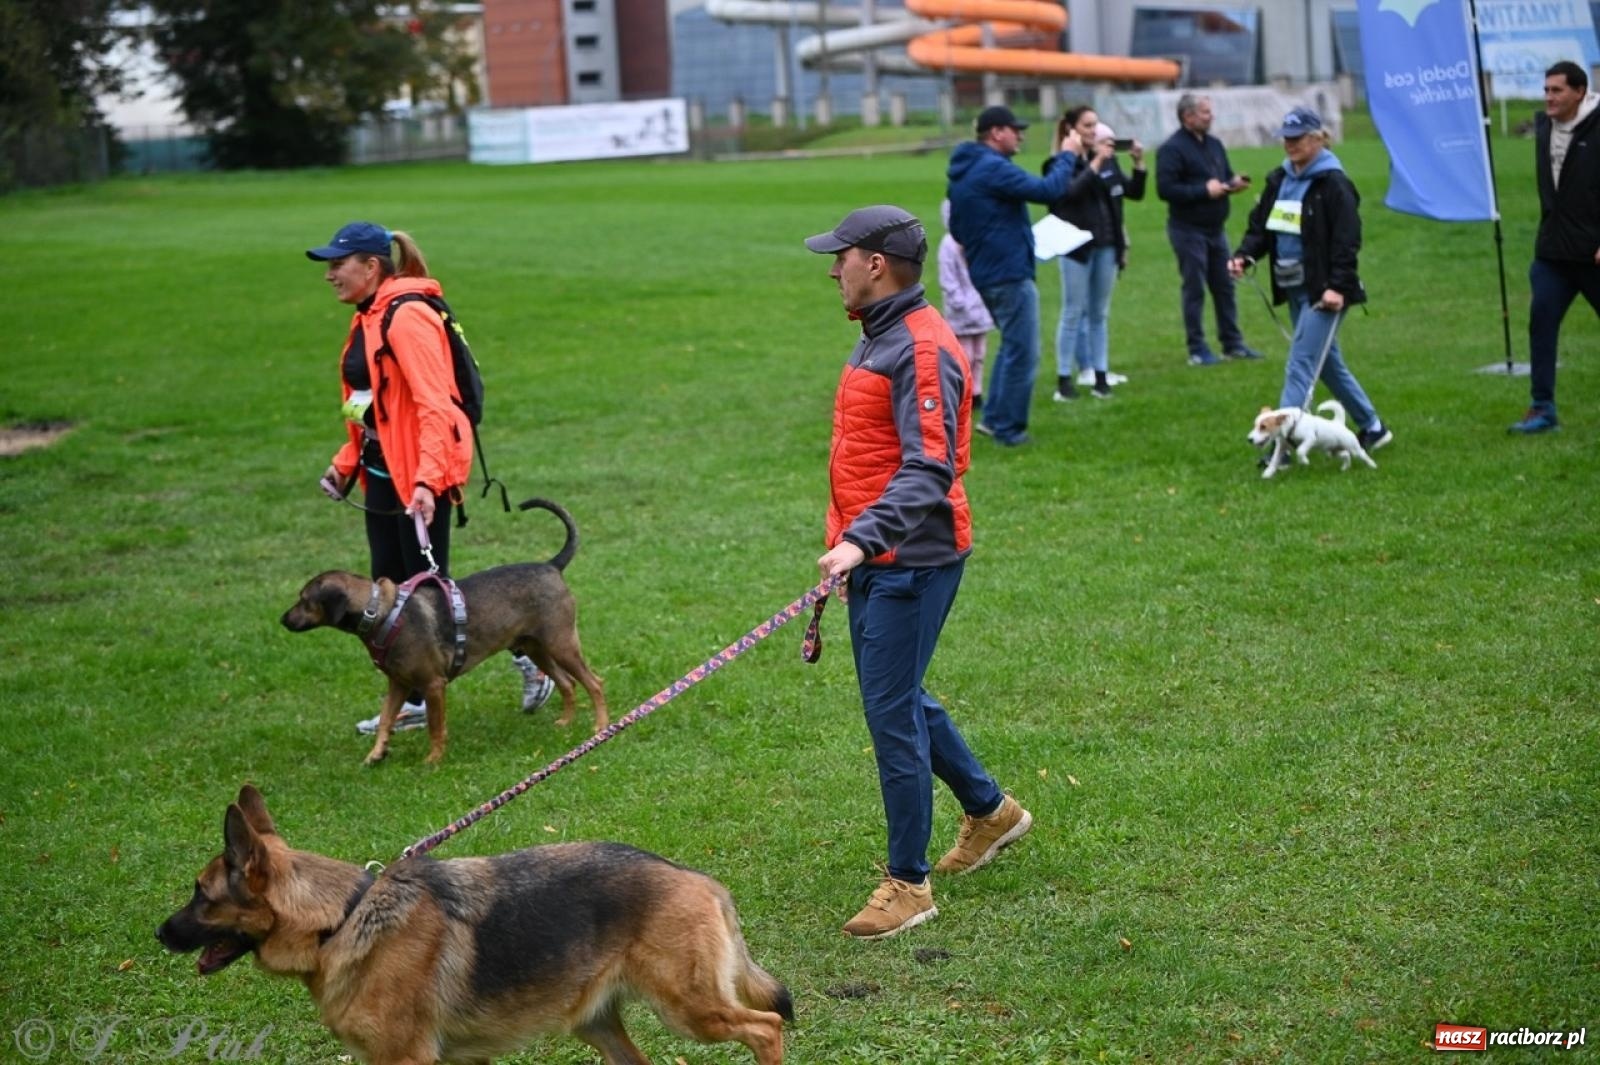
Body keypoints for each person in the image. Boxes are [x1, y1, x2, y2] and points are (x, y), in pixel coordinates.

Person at [804, 205, 1033, 940]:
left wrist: (862, 539)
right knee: (897, 693)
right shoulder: (875, 338)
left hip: (914, 556)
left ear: (876, 263)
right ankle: (992, 810)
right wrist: (845, 537)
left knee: (891, 709)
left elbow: (931, 465)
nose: (831, 267)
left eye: (841, 256)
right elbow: (863, 455)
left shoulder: (920, 348)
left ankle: (908, 884)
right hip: (874, 552)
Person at [306, 221, 553, 734]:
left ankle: (531, 658)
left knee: (432, 592)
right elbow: (372, 404)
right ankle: (417, 696)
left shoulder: (407, 316)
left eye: (338, 264)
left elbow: (434, 405)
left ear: (371, 266)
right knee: (388, 587)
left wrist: (426, 481)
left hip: (418, 479)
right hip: (382, 477)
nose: (330, 274)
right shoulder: (367, 315)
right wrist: (346, 462)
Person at [1228, 108, 1392, 458]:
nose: (1290, 144)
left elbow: (1347, 241)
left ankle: (1281, 451)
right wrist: (1244, 256)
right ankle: (1374, 428)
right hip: (1292, 288)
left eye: (1298, 138)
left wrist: (1337, 287)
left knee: (1300, 364)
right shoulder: (1278, 179)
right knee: (1327, 364)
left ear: (1318, 139)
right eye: (1286, 138)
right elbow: (1261, 228)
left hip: (1326, 292)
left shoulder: (1335, 183)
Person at [946, 104, 1079, 446]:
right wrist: (1067, 157)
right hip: (1008, 273)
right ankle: (1008, 428)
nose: (1021, 134)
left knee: (1012, 346)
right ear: (996, 133)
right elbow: (1048, 191)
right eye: (1015, 129)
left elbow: (958, 231)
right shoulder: (992, 168)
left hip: (987, 271)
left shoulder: (965, 171)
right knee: (1024, 351)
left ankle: (994, 419)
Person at [1511, 60, 1600, 434]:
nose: (1548, 97)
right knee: (1541, 324)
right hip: (1551, 253)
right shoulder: (1544, 126)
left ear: (1580, 92)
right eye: (1545, 89)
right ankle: (1542, 408)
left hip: (1593, 253)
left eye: (1557, 90)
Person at [1044, 109, 1146, 400]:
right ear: (1071, 129)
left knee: (1100, 314)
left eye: (1094, 125)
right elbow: (1068, 196)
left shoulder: (1109, 160)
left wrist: (1139, 164)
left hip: (1107, 245)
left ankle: (1101, 377)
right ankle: (1065, 380)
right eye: (1087, 126)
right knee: (1073, 312)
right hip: (1076, 248)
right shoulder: (1060, 164)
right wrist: (1097, 162)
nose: (1093, 130)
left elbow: (1132, 193)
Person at [1156, 93, 1262, 366]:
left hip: (1216, 229)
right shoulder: (1172, 149)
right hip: (1187, 230)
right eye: (1204, 112)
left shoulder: (1214, 144)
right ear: (1188, 117)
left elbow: (1222, 176)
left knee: (1225, 286)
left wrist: (1232, 183)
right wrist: (1203, 191)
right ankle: (1197, 349)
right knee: (1195, 289)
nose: (1210, 116)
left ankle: (1232, 344)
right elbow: (1165, 189)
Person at [937, 198, 994, 414]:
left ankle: (977, 392)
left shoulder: (976, 241)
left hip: (980, 306)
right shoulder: (948, 245)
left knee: (980, 352)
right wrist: (960, 303)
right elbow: (948, 279)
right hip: (961, 311)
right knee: (965, 355)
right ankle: (962, 393)